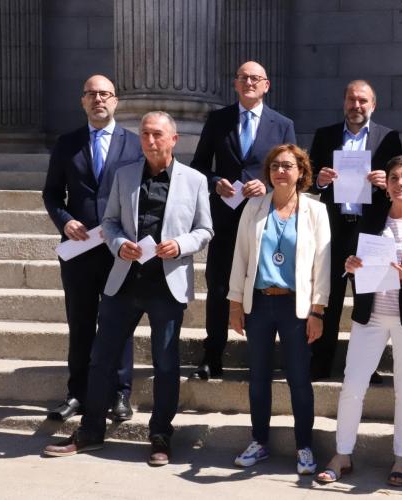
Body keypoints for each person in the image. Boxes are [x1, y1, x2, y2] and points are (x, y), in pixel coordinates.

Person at [43, 112, 213, 466]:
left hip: (167, 284)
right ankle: (90, 431)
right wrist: (119, 244)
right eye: (145, 134)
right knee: (101, 359)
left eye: (157, 135)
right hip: (124, 281)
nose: (150, 141)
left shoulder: (195, 180)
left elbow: (204, 230)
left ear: (173, 139)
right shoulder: (125, 175)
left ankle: (161, 435)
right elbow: (110, 222)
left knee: (166, 364)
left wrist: (180, 245)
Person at [316, 155, 402, 487]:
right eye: (394, 178)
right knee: (352, 386)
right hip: (371, 315)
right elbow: (350, 260)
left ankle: (401, 458)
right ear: (385, 185)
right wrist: (351, 265)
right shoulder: (371, 218)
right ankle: (342, 454)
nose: (400, 184)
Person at [42, 74, 142, 422]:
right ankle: (77, 394)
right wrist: (65, 221)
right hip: (80, 248)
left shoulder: (134, 144)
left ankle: (120, 394)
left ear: (115, 101)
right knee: (81, 322)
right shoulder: (67, 144)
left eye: (104, 94)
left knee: (119, 323)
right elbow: (52, 193)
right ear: (82, 101)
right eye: (91, 94)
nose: (98, 100)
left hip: (120, 250)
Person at [190, 60, 296, 380]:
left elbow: (293, 171)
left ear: (266, 85)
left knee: (262, 287)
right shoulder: (218, 120)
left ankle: (260, 358)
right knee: (219, 286)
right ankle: (212, 356)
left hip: (265, 219)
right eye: (243, 78)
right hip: (225, 218)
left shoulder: (282, 124)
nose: (249, 83)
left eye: (255, 78)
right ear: (235, 84)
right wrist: (215, 182)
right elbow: (198, 166)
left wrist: (268, 185)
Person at [228, 144, 330, 475]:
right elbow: (241, 256)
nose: (280, 171)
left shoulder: (315, 210)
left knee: (299, 378)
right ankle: (259, 441)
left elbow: (322, 264)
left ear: (301, 172)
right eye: (275, 166)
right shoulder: (254, 206)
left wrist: (318, 311)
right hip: (259, 302)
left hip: (295, 306)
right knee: (258, 377)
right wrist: (235, 303)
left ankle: (304, 447)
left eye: (287, 166)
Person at [309, 79, 402, 381]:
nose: (356, 106)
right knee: (329, 296)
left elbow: (399, 183)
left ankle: (366, 366)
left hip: (370, 230)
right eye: (351, 100)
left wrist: (385, 182)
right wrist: (320, 180)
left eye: (362, 101)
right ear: (344, 103)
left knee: (367, 301)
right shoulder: (325, 135)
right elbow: (309, 180)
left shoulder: (388, 137)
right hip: (333, 229)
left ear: (373, 105)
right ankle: (321, 363)